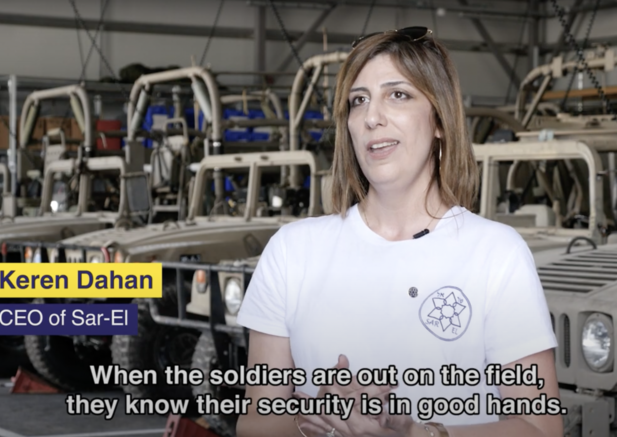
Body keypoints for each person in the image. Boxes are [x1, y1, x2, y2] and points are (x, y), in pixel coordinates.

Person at [235, 26, 561, 437]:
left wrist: (417, 433)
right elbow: (255, 422)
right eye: (359, 101)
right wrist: (312, 420)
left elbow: (540, 427)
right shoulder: (291, 252)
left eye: (398, 94)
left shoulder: (497, 255)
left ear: (439, 119)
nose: (372, 117)